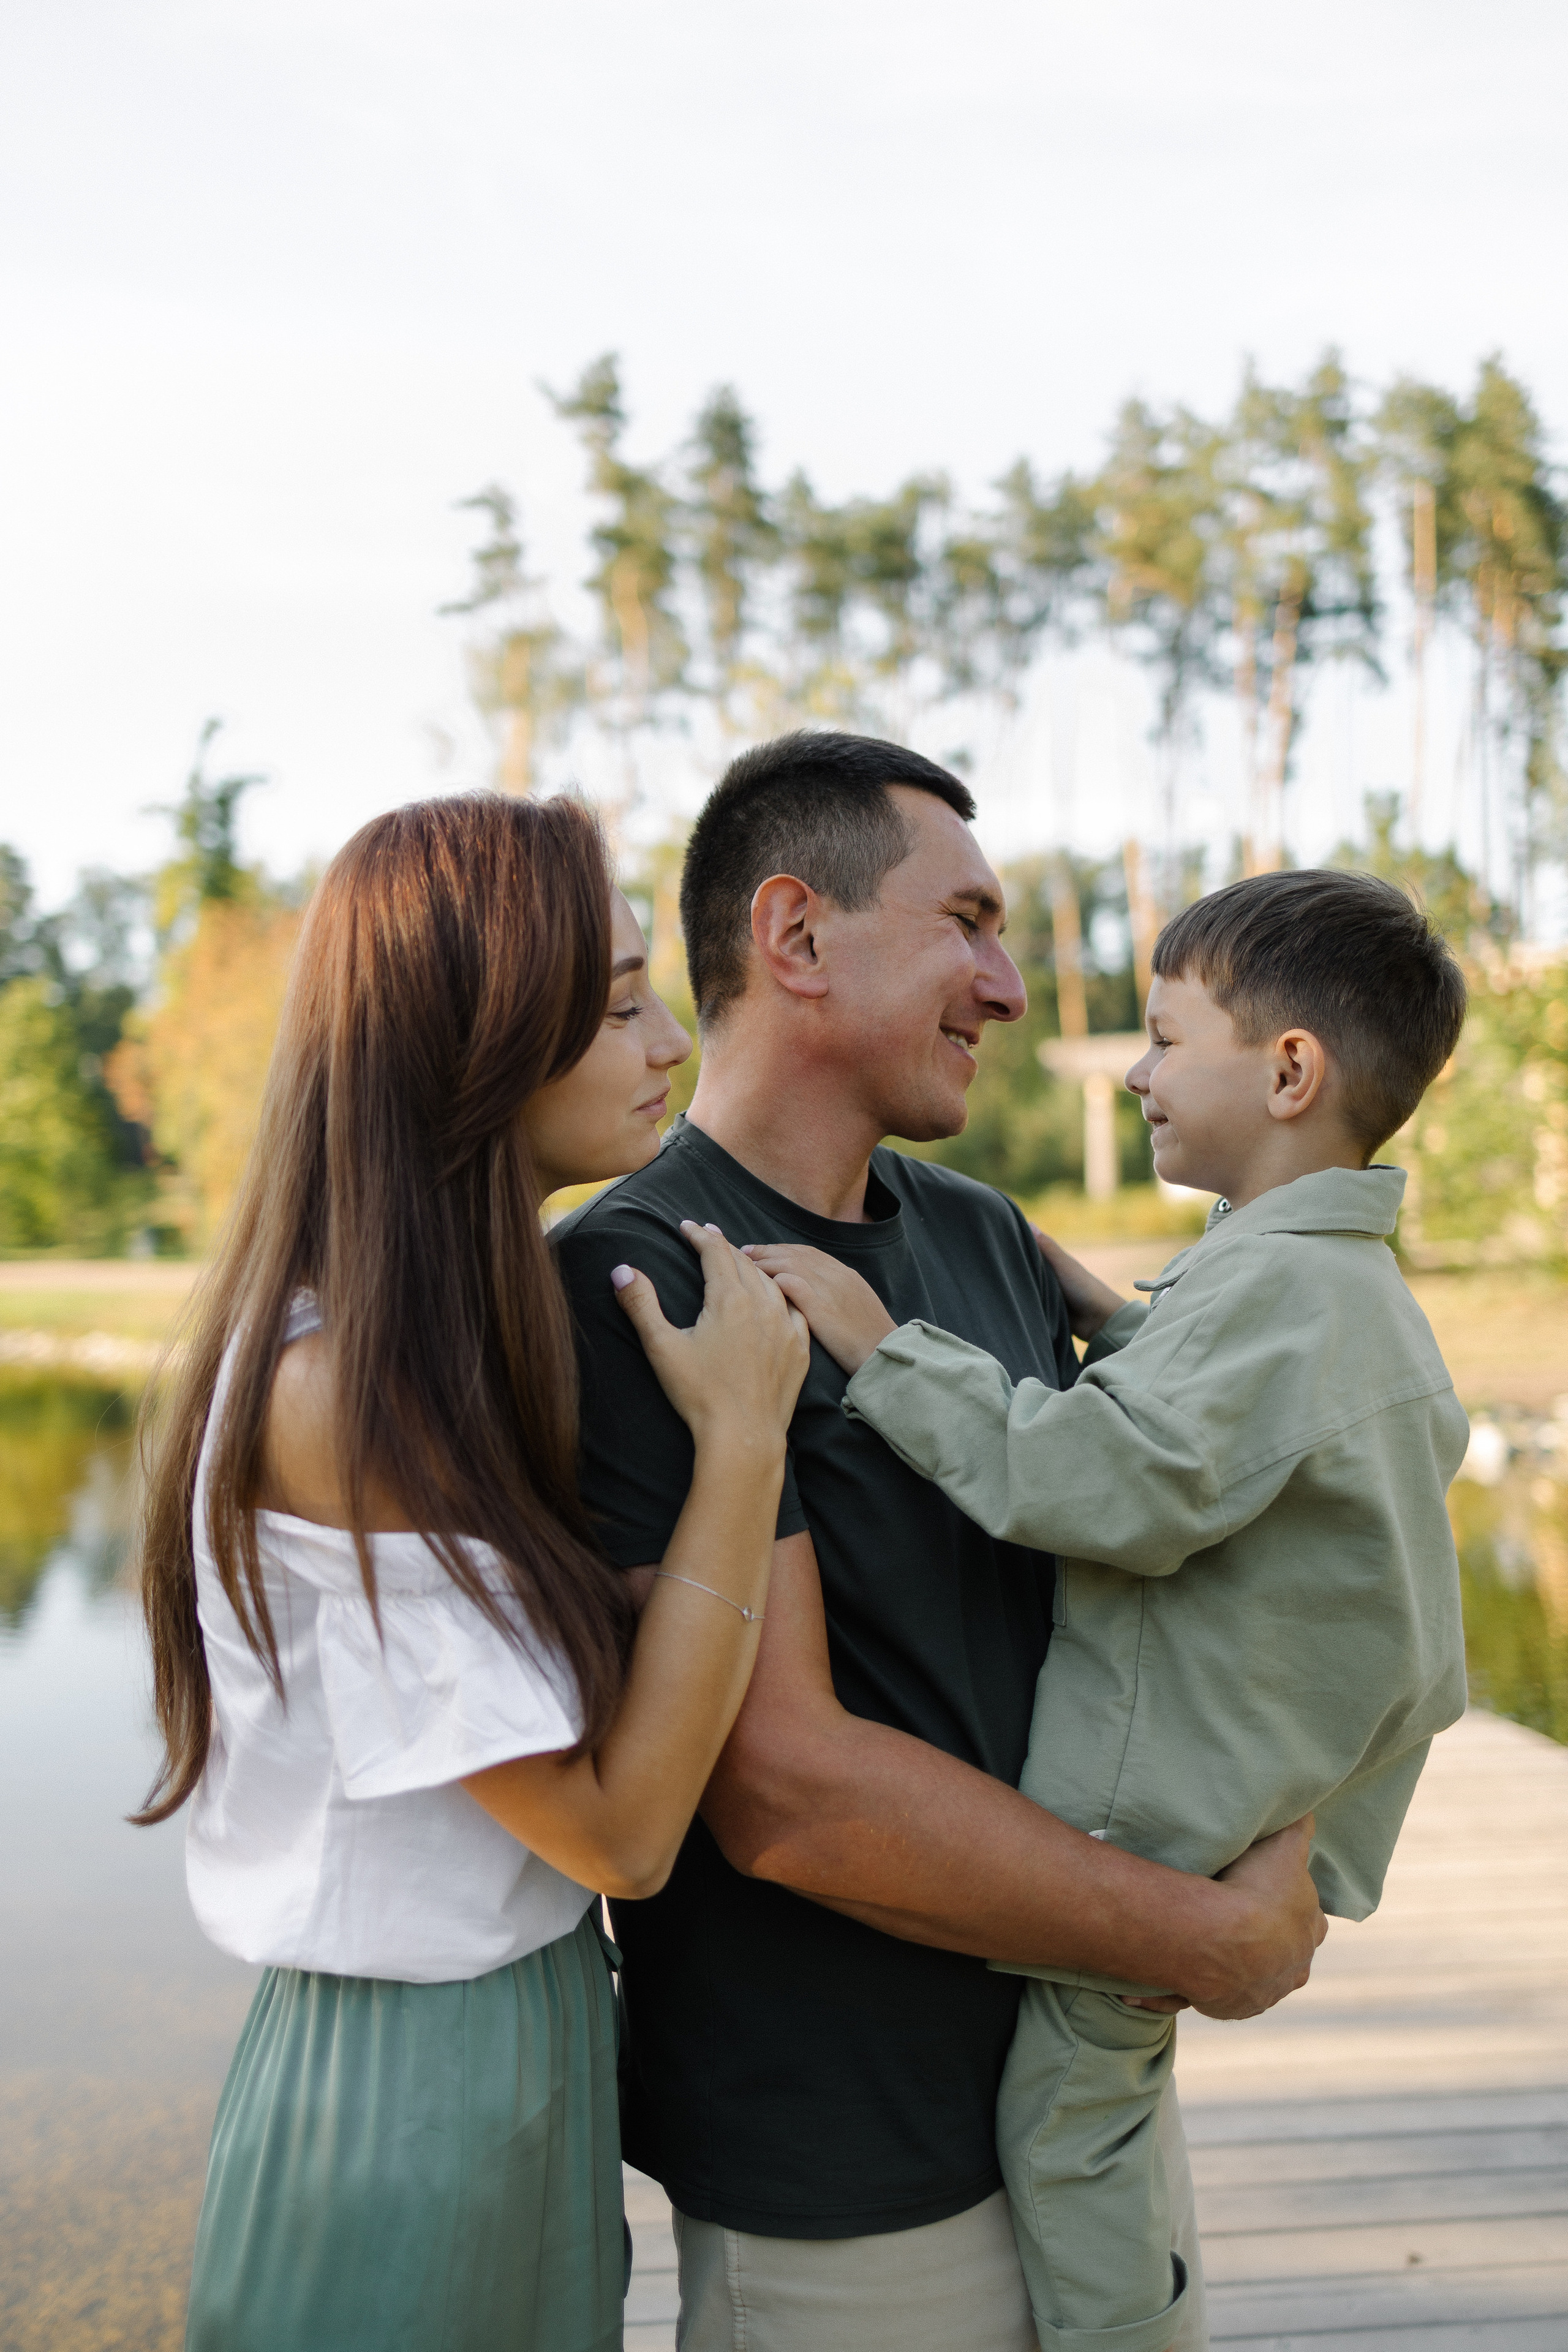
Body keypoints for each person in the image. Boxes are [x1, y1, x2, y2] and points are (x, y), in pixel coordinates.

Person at [554, 733, 1327, 2352]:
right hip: (851, 2177)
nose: (1011, 985)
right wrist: (1211, 1940)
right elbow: (786, 1793)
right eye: (967, 923)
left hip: (1090, 2102)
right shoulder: (636, 1276)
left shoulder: (980, 1235)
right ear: (798, 938)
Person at [752, 866, 1471, 2352]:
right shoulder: (1319, 1280)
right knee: (1111, 2089)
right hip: (1278, 1771)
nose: (1134, 1071)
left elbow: (1106, 1485)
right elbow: (1236, 1416)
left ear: (1285, 1071)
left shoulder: (1275, 1295)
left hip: (1174, 1790)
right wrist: (1114, 1312)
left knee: (1073, 2111)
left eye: (1158, 1037)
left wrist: (886, 1349)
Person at [131, 791, 809, 2352]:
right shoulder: (330, 1394)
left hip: (523, 2040)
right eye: (625, 1003)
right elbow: (620, 1836)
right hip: (404, 2084)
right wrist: (742, 1447)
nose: (669, 1048)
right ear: (479, 1039)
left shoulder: (452, 1352)